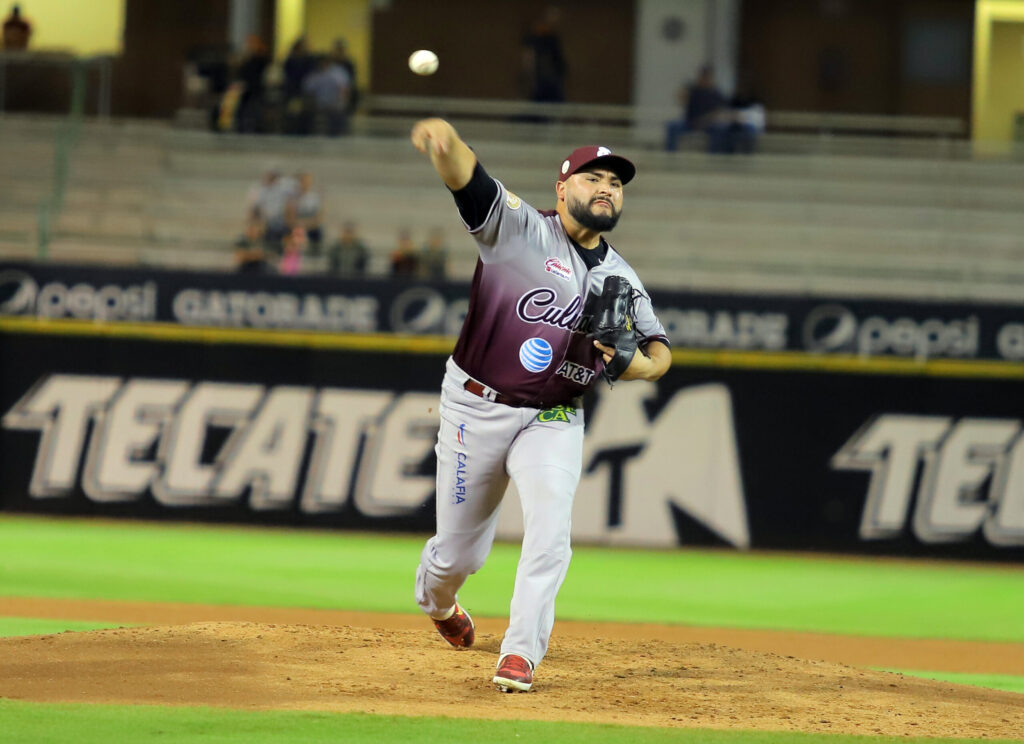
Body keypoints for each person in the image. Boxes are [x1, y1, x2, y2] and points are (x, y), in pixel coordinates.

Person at [410, 118, 671, 693]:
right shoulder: (519, 229)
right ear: (562, 188)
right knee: (457, 556)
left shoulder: (622, 278)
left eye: (616, 183)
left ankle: (520, 654)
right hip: (476, 405)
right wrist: (445, 144)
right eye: (593, 177)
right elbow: (467, 180)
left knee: (551, 531)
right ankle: (436, 601)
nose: (606, 188)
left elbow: (660, 354)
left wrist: (632, 363)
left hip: (554, 414)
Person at [664, 65, 728, 153]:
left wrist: (705, 120)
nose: (704, 78)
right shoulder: (693, 89)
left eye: (707, 76)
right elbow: (680, 98)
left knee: (720, 130)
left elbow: (719, 110)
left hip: (708, 124)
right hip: (690, 122)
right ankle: (670, 156)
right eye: (703, 76)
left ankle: (714, 158)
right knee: (672, 126)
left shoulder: (715, 93)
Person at [521, 6, 567, 104]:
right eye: (553, 16)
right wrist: (530, 77)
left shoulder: (553, 39)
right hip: (541, 81)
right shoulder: (536, 36)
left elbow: (558, 61)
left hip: (551, 81)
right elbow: (529, 58)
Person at [302, 56, 351, 137]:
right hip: (317, 103)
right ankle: (308, 136)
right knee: (305, 113)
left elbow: (344, 89)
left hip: (334, 102)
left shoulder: (338, 73)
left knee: (337, 113)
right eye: (321, 63)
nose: (323, 65)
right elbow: (307, 89)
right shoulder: (314, 74)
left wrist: (341, 101)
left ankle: (336, 136)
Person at [287, 171, 324, 254]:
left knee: (318, 231)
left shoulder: (315, 197)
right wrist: (298, 224)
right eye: (302, 182)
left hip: (310, 224)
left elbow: (318, 217)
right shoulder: (293, 197)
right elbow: (290, 215)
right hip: (297, 224)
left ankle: (315, 254)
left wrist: (307, 224)